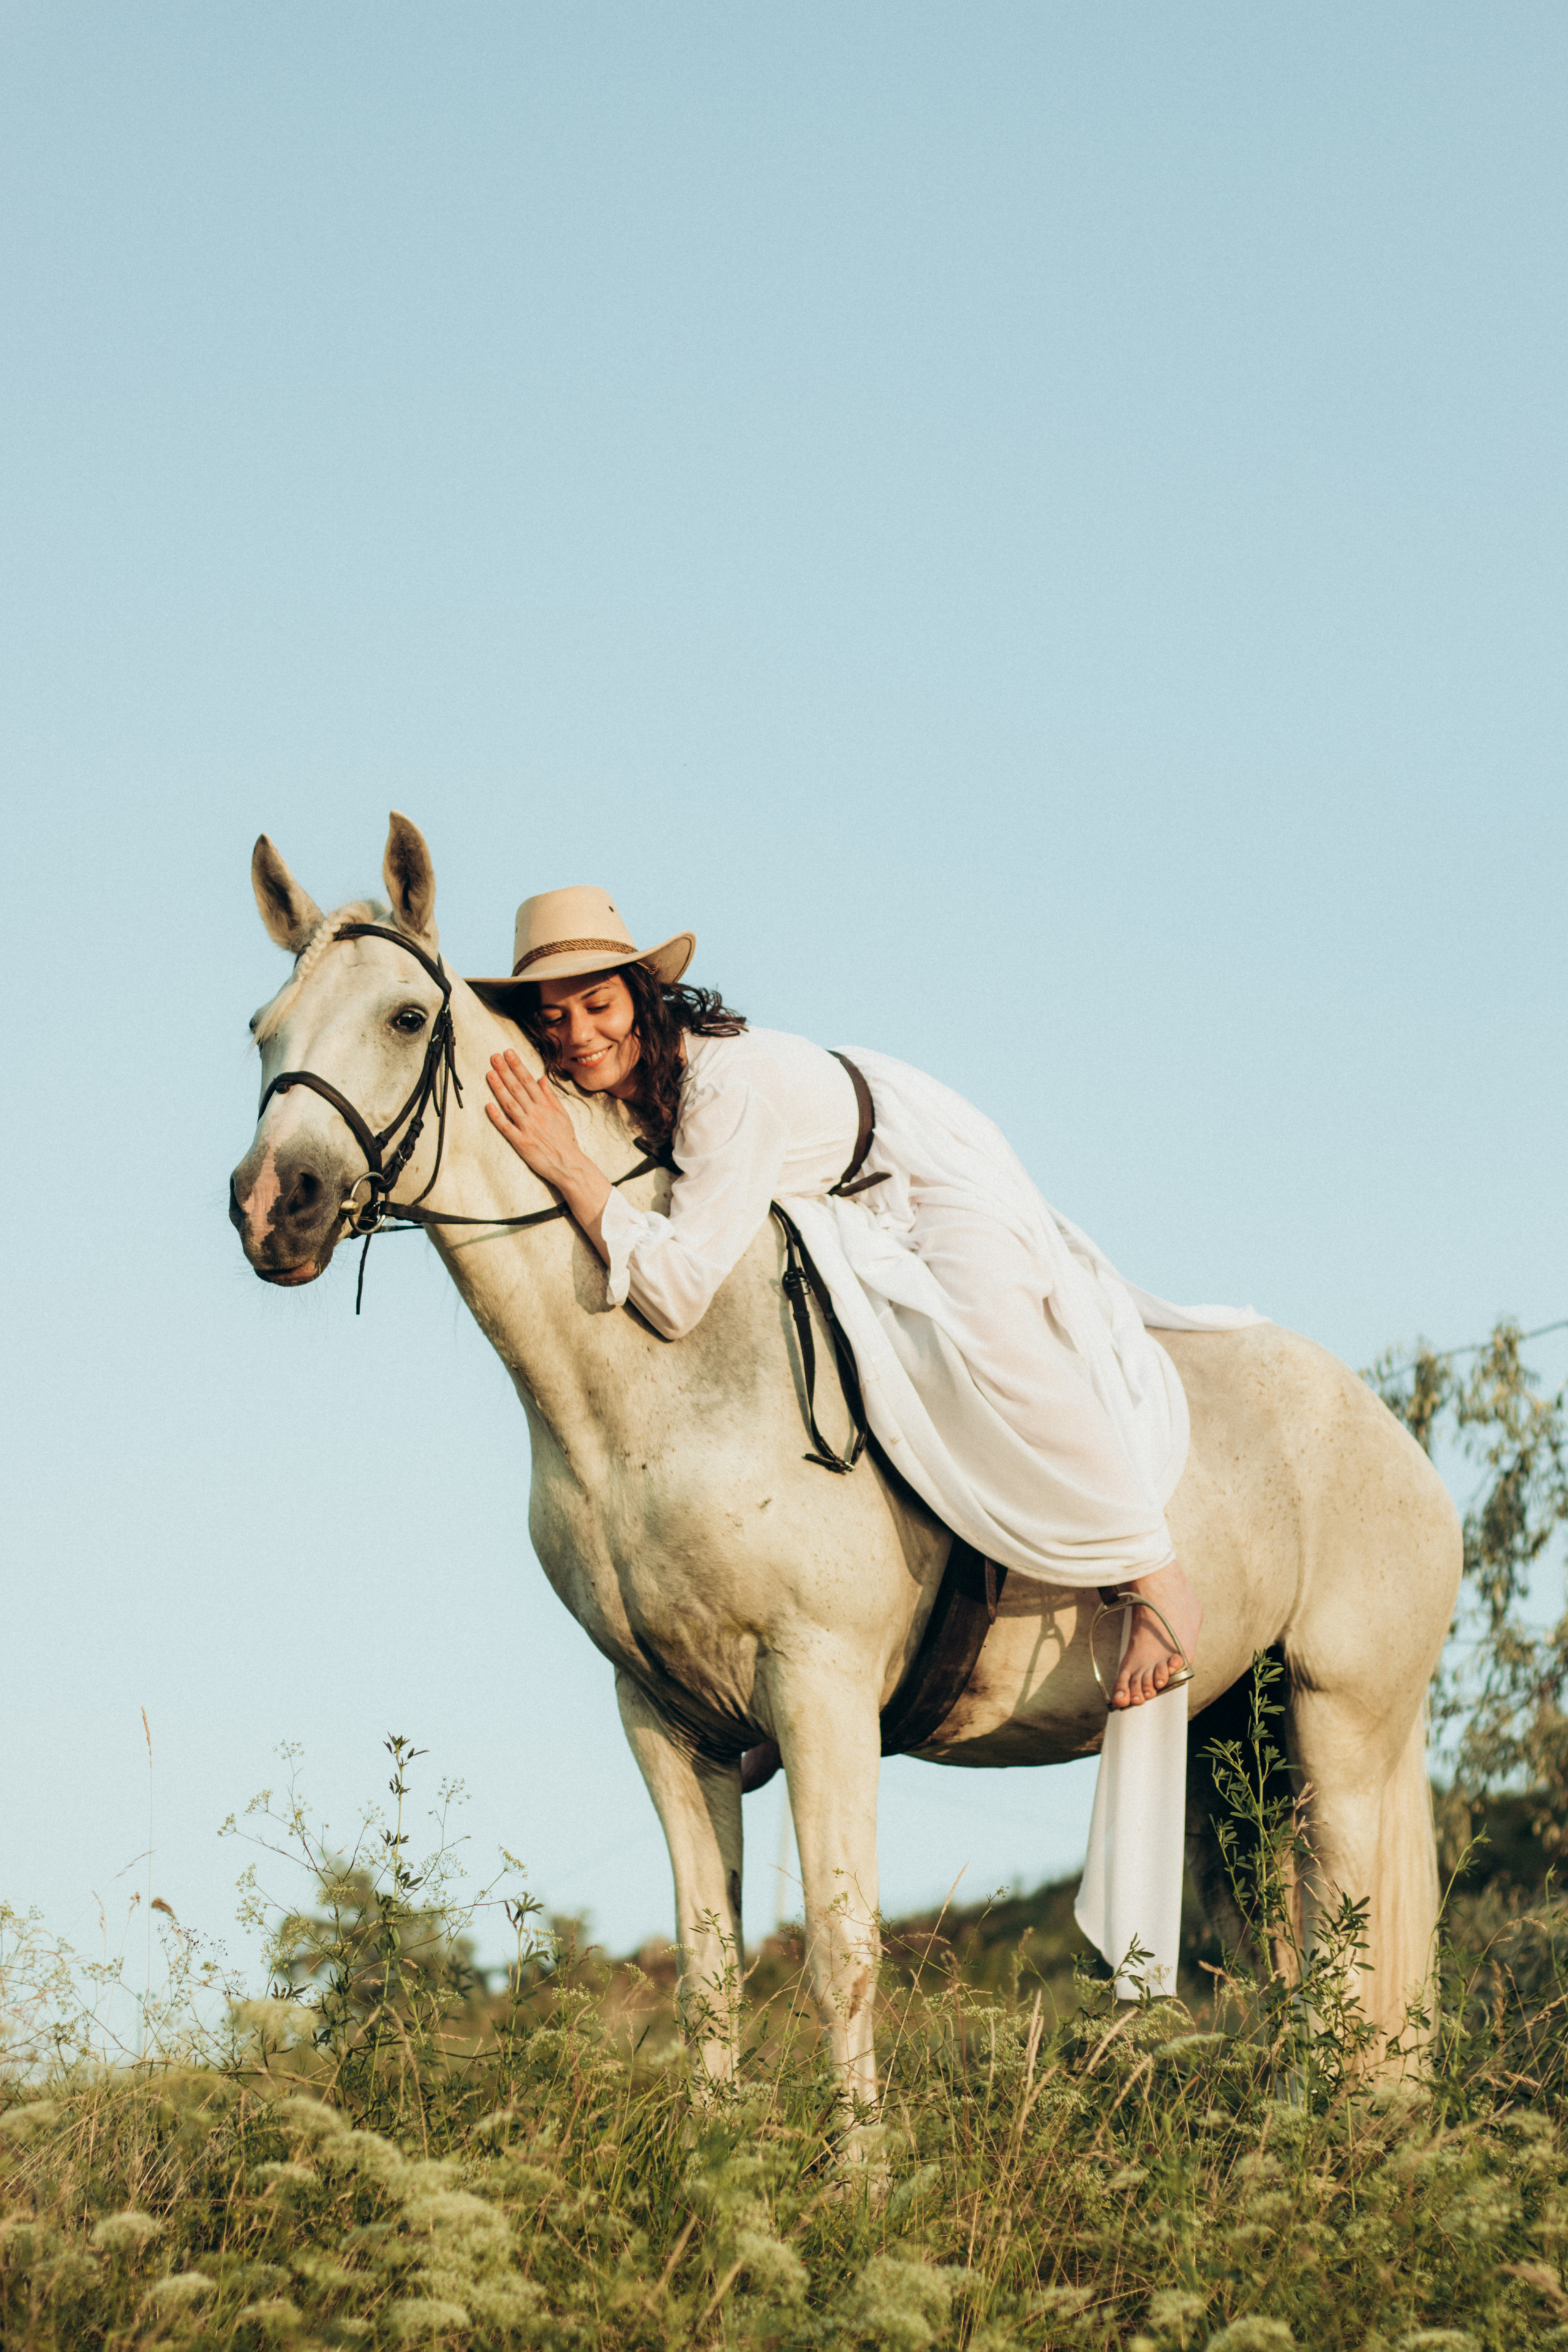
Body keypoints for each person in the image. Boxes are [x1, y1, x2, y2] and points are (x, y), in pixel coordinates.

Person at [471, 886, 1258, 1710]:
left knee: (992, 1339)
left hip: (915, 1172)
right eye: (552, 1022)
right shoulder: (621, 1084)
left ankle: (1155, 1572)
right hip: (827, 1193)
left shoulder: (723, 1091)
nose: (578, 1037)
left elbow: (675, 1296)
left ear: (641, 995)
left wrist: (570, 1168)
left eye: (596, 1005)